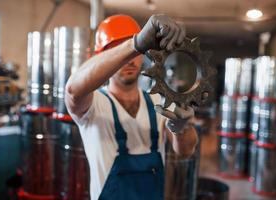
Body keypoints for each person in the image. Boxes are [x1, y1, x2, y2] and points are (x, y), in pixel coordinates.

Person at [65, 14, 198, 200]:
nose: (129, 60)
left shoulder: (158, 102)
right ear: (104, 57)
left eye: (136, 53)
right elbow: (72, 90)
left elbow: (185, 151)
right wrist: (134, 45)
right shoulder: (92, 105)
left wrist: (182, 128)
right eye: (118, 51)